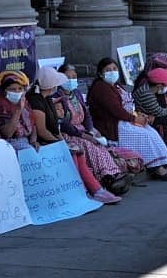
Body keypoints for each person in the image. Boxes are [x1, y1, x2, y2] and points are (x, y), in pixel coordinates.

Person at [26, 67, 121, 204]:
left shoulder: (47, 99)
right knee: (72, 154)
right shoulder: (36, 101)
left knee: (78, 152)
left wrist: (61, 141)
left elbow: (56, 126)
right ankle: (81, 191)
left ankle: (97, 190)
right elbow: (42, 131)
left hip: (54, 139)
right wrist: (61, 144)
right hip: (44, 142)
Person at [86, 57, 167, 181]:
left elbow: (129, 106)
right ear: (100, 73)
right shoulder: (102, 88)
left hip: (125, 120)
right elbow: (116, 110)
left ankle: (165, 163)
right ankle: (156, 167)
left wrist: (138, 115)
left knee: (151, 133)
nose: (112, 72)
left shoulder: (116, 86)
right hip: (114, 126)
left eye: (114, 68)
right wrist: (134, 119)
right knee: (144, 135)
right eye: (108, 70)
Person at [51, 66, 134, 194]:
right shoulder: (56, 96)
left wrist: (90, 129)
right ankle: (107, 179)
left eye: (74, 77)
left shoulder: (76, 93)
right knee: (88, 145)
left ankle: (114, 174)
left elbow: (86, 114)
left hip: (84, 130)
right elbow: (63, 123)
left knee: (99, 144)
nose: (71, 80)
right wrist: (83, 135)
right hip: (70, 133)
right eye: (68, 77)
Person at [0, 70, 39, 151]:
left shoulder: (25, 103)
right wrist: (18, 110)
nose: (17, 92)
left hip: (26, 141)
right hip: (9, 145)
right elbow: (7, 133)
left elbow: (33, 124)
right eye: (12, 89)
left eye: (20, 89)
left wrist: (33, 141)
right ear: (5, 91)